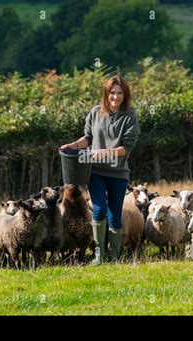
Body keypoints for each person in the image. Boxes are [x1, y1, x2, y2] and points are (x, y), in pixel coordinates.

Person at [60, 75, 140, 265]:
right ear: (106, 94)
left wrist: (104, 153)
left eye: (120, 93)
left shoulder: (130, 119)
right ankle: (98, 255)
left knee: (114, 214)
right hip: (95, 172)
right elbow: (88, 137)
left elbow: (124, 150)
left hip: (118, 174)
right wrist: (73, 145)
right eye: (112, 92)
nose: (115, 96)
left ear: (125, 95)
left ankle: (113, 256)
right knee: (99, 209)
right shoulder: (95, 113)